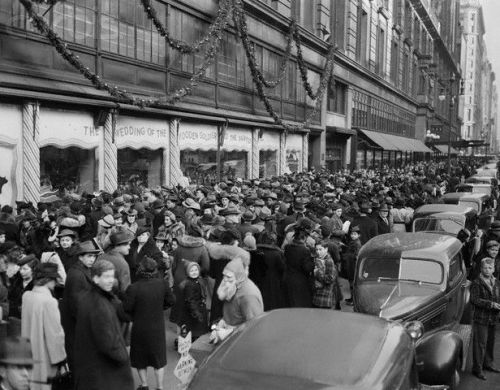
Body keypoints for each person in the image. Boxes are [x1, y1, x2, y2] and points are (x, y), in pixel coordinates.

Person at [73, 260, 134, 390]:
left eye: (112, 276)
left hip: (90, 367)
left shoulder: (86, 297)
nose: (111, 280)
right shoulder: (100, 305)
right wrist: (123, 357)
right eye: (106, 277)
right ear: (95, 278)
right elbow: (109, 343)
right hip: (104, 371)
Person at [124, 256, 175, 390]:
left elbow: (127, 307)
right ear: (155, 269)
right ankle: (160, 387)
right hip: (157, 326)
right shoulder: (162, 284)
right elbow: (171, 300)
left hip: (140, 327)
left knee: (140, 359)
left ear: (140, 270)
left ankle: (145, 385)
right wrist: (160, 307)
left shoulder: (133, 287)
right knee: (158, 359)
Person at [21, 263, 66, 390]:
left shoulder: (27, 297)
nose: (56, 282)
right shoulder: (49, 302)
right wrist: (61, 360)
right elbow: (55, 335)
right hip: (44, 356)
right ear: (48, 280)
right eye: (54, 279)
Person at [60, 241, 100, 370]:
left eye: (94, 256)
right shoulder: (77, 274)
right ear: (80, 257)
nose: (92, 259)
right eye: (89, 256)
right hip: (76, 326)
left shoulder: (83, 270)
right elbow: (76, 306)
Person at [471, 257, 500, 380]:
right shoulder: (477, 282)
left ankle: (488, 364)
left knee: (490, 342)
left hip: (493, 318)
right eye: (485, 268)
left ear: (493, 269)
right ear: (481, 269)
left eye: (490, 268)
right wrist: (491, 304)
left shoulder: (496, 281)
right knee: (480, 344)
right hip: (481, 318)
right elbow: (474, 300)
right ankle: (477, 369)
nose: (487, 270)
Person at [216, 257, 263, 327]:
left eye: (229, 277)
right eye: (224, 275)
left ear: (238, 277)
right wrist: (223, 321)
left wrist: (230, 331)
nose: (225, 280)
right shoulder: (233, 287)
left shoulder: (248, 296)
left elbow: (254, 326)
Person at [177, 262, 209, 341]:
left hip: (198, 307)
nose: (194, 272)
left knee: (195, 329)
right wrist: (196, 313)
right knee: (192, 329)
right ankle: (185, 343)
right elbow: (190, 300)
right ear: (188, 272)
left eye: (196, 270)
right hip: (193, 311)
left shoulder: (198, 280)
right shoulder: (189, 284)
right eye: (191, 271)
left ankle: (190, 340)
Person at [98, 230, 133, 297]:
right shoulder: (122, 263)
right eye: (126, 244)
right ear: (117, 246)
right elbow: (125, 289)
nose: (129, 247)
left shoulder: (101, 257)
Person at [8, 255, 38, 319]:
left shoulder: (37, 285)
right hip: (14, 318)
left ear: (33, 269)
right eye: (20, 269)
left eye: (25, 269)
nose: (21, 272)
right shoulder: (16, 282)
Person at [312, 241, 338, 310]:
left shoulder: (329, 261)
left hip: (325, 297)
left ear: (326, 249)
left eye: (320, 249)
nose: (318, 252)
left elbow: (329, 279)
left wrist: (317, 272)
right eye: (316, 249)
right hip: (318, 295)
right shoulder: (319, 259)